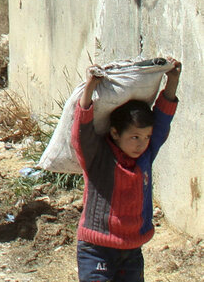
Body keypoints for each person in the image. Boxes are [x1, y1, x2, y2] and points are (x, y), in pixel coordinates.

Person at [73, 59, 181, 282]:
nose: (141, 144)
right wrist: (90, 86)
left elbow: (162, 120)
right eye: (134, 137)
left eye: (146, 138)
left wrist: (173, 80)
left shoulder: (144, 158)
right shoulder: (98, 157)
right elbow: (82, 131)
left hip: (131, 250)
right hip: (96, 249)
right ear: (114, 133)